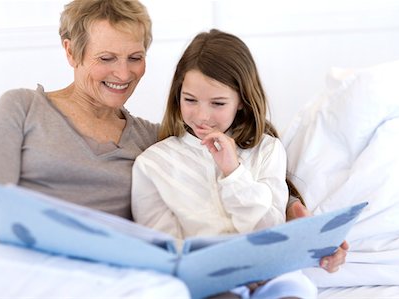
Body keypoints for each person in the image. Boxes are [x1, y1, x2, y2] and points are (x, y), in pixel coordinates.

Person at [0, 0, 345, 275]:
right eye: (106, 57)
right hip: (33, 262)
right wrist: (67, 244)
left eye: (134, 57)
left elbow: (217, 168)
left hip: (116, 274)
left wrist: (297, 215)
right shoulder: (22, 107)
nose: (123, 73)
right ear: (71, 51)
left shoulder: (151, 140)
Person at [131, 28, 317, 298]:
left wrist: (233, 172)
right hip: (209, 282)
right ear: (177, 95)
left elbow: (269, 229)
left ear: (241, 101)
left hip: (272, 276)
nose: (202, 116)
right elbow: (167, 253)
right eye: (190, 100)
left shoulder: (267, 150)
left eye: (218, 103)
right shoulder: (153, 165)